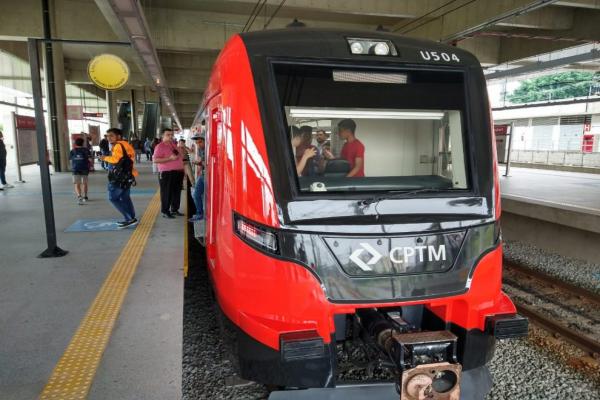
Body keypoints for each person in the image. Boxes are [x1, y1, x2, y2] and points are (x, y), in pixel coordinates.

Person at [100, 128, 139, 228]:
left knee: (113, 198)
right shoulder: (127, 145)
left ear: (118, 136)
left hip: (118, 177)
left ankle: (129, 219)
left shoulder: (118, 145)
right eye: (107, 136)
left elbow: (116, 160)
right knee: (125, 197)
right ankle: (132, 217)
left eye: (111, 136)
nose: (109, 138)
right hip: (128, 175)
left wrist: (104, 158)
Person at [153, 128, 184, 218]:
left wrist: (183, 170)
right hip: (166, 173)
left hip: (178, 172)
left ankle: (174, 209)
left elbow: (180, 157)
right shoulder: (159, 146)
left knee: (176, 192)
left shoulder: (174, 145)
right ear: (163, 136)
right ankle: (165, 211)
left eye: (171, 135)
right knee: (167, 192)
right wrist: (169, 159)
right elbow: (155, 160)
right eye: (168, 135)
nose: (170, 136)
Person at [188, 134, 205, 222]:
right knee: (196, 194)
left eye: (200, 142)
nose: (198, 144)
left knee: (198, 195)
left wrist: (200, 163)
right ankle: (200, 214)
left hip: (207, 176)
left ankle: (201, 214)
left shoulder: (208, 150)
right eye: (197, 142)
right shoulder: (201, 150)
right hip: (202, 175)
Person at [69, 137, 91, 204]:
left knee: (77, 184)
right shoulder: (86, 150)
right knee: (85, 183)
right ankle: (85, 196)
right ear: (83, 143)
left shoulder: (72, 151)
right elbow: (90, 160)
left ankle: (79, 196)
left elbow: (70, 161)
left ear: (75, 143)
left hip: (75, 169)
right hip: (84, 168)